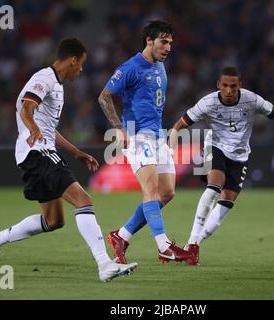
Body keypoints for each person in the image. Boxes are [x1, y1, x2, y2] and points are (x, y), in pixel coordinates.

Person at [0, 38, 137, 282]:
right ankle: (105, 265)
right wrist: (32, 129)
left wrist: (76, 152)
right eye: (81, 64)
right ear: (72, 60)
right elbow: (26, 108)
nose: (81, 70)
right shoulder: (44, 79)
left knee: (54, 221)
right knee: (84, 200)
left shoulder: (58, 85)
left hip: (36, 152)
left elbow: (49, 128)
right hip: (37, 152)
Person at [169, 66, 274, 264]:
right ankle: (193, 247)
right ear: (218, 85)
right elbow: (180, 124)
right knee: (214, 187)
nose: (229, 91)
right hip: (215, 147)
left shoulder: (252, 100)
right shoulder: (207, 103)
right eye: (225, 86)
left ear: (240, 86)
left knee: (226, 202)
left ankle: (191, 245)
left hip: (240, 156)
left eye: (233, 86)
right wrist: (170, 145)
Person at [98, 21, 195, 265]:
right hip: (138, 135)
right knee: (150, 190)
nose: (168, 47)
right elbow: (104, 96)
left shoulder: (161, 67)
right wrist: (119, 128)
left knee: (167, 193)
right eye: (164, 41)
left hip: (158, 136)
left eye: (171, 42)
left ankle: (122, 235)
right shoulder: (130, 67)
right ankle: (164, 246)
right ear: (149, 41)